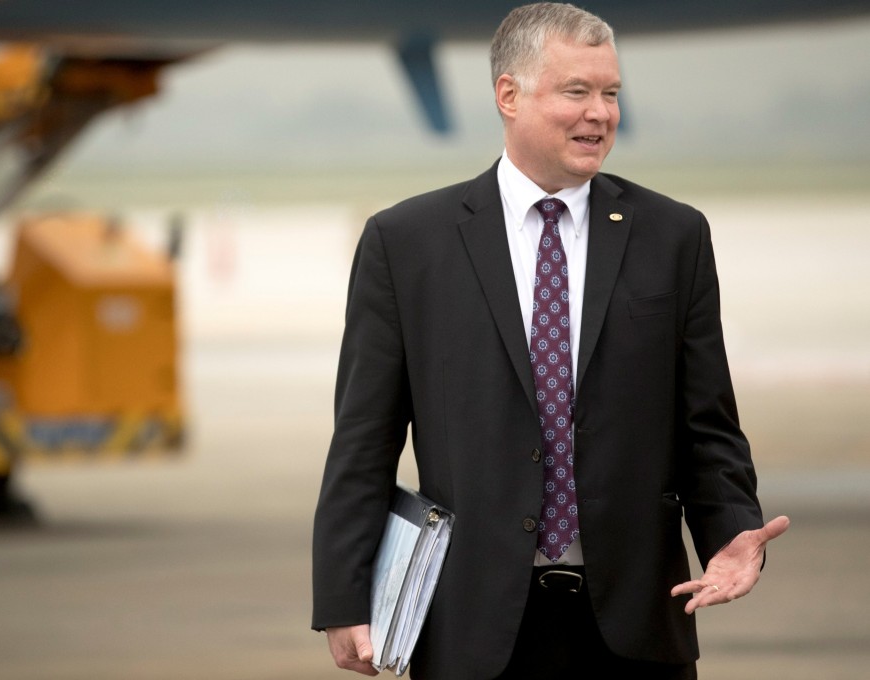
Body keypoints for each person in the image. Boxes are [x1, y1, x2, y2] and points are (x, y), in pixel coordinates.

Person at [311, 3, 789, 678]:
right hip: (473, 629)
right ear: (509, 95)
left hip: (637, 629)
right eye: (577, 92)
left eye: (611, 93)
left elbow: (707, 423)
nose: (601, 114)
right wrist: (344, 595)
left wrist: (734, 533)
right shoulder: (407, 243)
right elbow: (363, 440)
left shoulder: (673, 236)